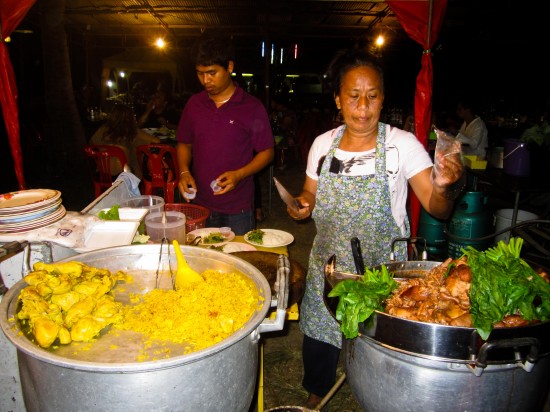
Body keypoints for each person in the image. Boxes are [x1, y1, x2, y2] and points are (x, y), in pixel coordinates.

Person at [285, 47, 464, 409]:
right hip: (331, 266)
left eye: (372, 96)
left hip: (385, 271)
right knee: (320, 339)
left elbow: (437, 207)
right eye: (353, 97)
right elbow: (310, 191)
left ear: (383, 99)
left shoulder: (402, 145)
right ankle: (315, 397)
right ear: (338, 98)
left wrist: (445, 186)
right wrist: (302, 205)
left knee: (384, 348)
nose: (362, 107)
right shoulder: (323, 145)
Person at [175, 34, 274, 235]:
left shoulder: (251, 107)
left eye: (211, 73)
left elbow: (267, 152)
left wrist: (239, 174)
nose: (205, 80)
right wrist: (184, 172)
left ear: (229, 67)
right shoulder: (194, 104)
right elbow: (184, 143)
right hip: (200, 203)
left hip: (238, 206)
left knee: (236, 260)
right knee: (204, 260)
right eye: (200, 73)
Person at [90, 104, 160, 178]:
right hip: (125, 176)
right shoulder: (133, 132)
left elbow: (91, 144)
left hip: (102, 174)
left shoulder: (103, 130)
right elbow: (156, 141)